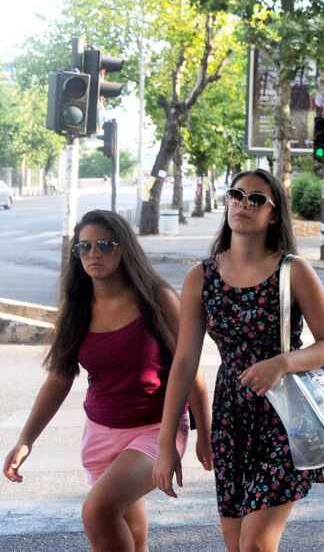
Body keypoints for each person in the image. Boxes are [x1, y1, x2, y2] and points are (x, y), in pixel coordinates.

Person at [153, 168, 324, 552]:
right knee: (236, 543)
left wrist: (281, 363)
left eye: (256, 199)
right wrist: (166, 443)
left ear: (273, 214)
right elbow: (185, 362)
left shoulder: (293, 271)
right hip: (232, 417)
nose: (243, 204)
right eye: (236, 195)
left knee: (255, 544)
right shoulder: (201, 278)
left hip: (286, 416)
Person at [3, 209, 212, 551]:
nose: (93, 254)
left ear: (124, 248)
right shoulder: (77, 307)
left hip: (154, 429)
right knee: (131, 533)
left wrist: (204, 432)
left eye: (104, 244)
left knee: (98, 512)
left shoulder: (156, 299)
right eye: (83, 247)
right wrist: (26, 439)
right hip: (100, 432)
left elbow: (189, 370)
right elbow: (59, 379)